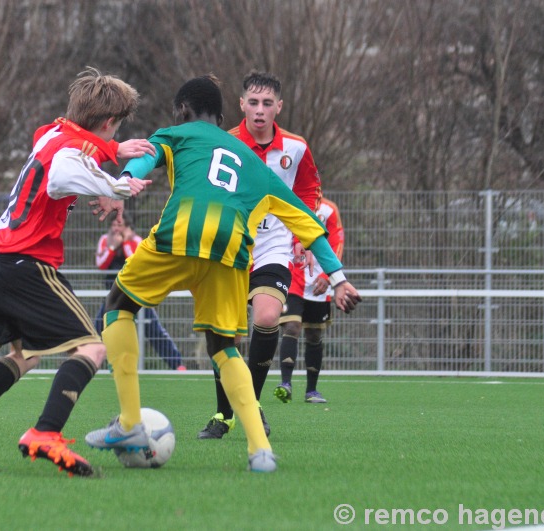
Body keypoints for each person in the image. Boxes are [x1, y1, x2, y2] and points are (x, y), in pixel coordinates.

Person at [83, 75, 361, 473]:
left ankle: (129, 422)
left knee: (117, 307)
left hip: (179, 236)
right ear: (225, 115)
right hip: (232, 253)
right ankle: (260, 449)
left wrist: (120, 185)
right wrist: (338, 278)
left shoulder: (176, 134)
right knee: (224, 346)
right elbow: (308, 224)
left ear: (182, 111)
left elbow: (144, 158)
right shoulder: (254, 163)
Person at [0, 67, 153, 477]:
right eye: (115, 130)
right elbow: (66, 171)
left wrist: (113, 150)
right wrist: (121, 186)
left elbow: (68, 144)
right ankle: (46, 432)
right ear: (108, 123)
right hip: (25, 263)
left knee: (25, 355)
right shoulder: (69, 154)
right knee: (93, 349)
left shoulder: (54, 134)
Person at [197, 71, 322, 439]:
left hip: (273, 245)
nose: (260, 110)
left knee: (268, 316)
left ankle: (249, 402)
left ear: (279, 107)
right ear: (241, 104)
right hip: (229, 246)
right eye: (253, 102)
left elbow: (310, 187)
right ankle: (224, 415)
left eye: (268, 103)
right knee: (225, 336)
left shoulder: (296, 147)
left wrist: (302, 231)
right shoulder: (225, 142)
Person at [94, 213, 187, 371]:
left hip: (137, 295)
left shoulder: (136, 241)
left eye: (119, 225)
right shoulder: (105, 240)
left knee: (154, 330)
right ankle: (91, 362)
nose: (116, 228)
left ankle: (177, 365)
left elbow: (137, 262)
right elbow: (101, 264)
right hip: (114, 297)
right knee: (99, 328)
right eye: (114, 225)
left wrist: (125, 243)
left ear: (128, 227)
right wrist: (112, 247)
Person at [275, 196, 344, 404]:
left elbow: (337, 242)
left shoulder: (329, 210)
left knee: (314, 333)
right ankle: (285, 383)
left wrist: (327, 277)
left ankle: (311, 390)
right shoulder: (289, 204)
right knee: (292, 326)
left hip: (319, 284)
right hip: (294, 279)